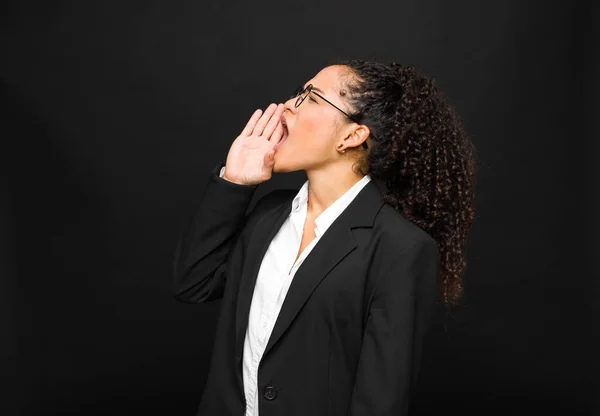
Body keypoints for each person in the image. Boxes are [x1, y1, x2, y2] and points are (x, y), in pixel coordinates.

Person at [172, 58, 477, 416]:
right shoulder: (267, 214)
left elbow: (380, 401)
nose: (287, 106)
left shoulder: (400, 247)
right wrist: (235, 182)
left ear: (352, 135)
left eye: (311, 97)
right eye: (297, 93)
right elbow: (192, 284)